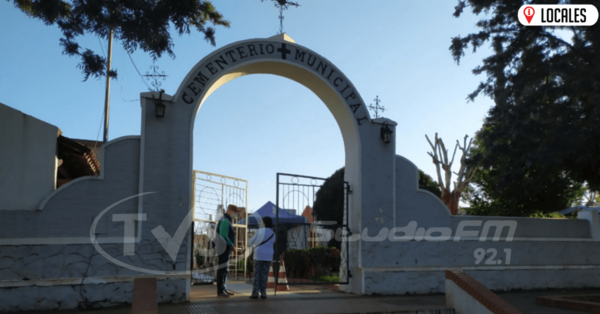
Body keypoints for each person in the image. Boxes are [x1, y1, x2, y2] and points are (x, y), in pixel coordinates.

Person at [247, 216, 276, 299]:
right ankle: (263, 293)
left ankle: (255, 293)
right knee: (264, 275)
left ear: (264, 223)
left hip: (258, 255)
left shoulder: (259, 232)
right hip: (268, 256)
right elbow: (273, 242)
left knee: (257, 275)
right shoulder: (273, 233)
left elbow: (250, 242)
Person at [215, 204, 238, 298]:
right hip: (223, 248)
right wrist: (232, 246)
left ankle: (223, 288)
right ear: (231, 211)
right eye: (235, 213)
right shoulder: (225, 220)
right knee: (222, 269)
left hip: (224, 248)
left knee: (224, 269)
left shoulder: (227, 220)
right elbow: (224, 235)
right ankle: (220, 290)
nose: (235, 215)